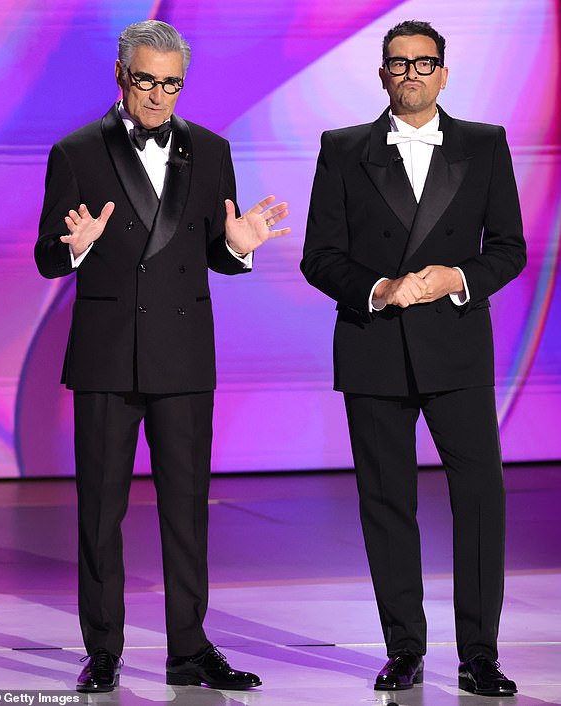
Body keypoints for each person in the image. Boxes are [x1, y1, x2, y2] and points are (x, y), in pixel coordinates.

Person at [36, 20, 289, 693]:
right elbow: (45, 258)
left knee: (187, 508)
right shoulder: (77, 151)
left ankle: (189, 650)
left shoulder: (210, 150)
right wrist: (78, 246)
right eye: (146, 81)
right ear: (121, 77)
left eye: (171, 84)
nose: (157, 97)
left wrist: (237, 245)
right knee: (100, 512)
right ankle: (105, 649)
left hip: (181, 355)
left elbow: (212, 252)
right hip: (106, 355)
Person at [301, 19, 525, 697]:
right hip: (375, 348)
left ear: (444, 73)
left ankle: (479, 655)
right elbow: (321, 256)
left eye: (424, 64)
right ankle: (405, 649)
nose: (411, 75)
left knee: (480, 501)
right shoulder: (343, 149)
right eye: (398, 65)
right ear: (381, 74)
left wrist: (454, 278)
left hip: (456, 349)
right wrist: (380, 289)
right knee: (387, 504)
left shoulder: (484, 145)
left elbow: (508, 247)